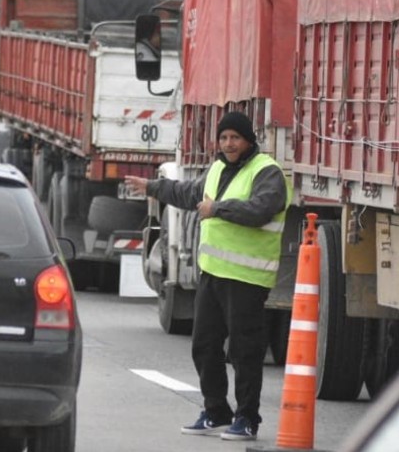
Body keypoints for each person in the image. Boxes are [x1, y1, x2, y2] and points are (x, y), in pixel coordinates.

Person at [124, 111, 289, 442]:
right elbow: (188, 193)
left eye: (235, 138)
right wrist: (153, 187)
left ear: (248, 140)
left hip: (248, 278)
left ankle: (246, 418)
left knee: (244, 351)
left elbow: (260, 210)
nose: (229, 144)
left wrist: (218, 210)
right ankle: (216, 411)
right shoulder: (216, 170)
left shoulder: (267, 172)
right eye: (224, 138)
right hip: (213, 275)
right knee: (204, 345)